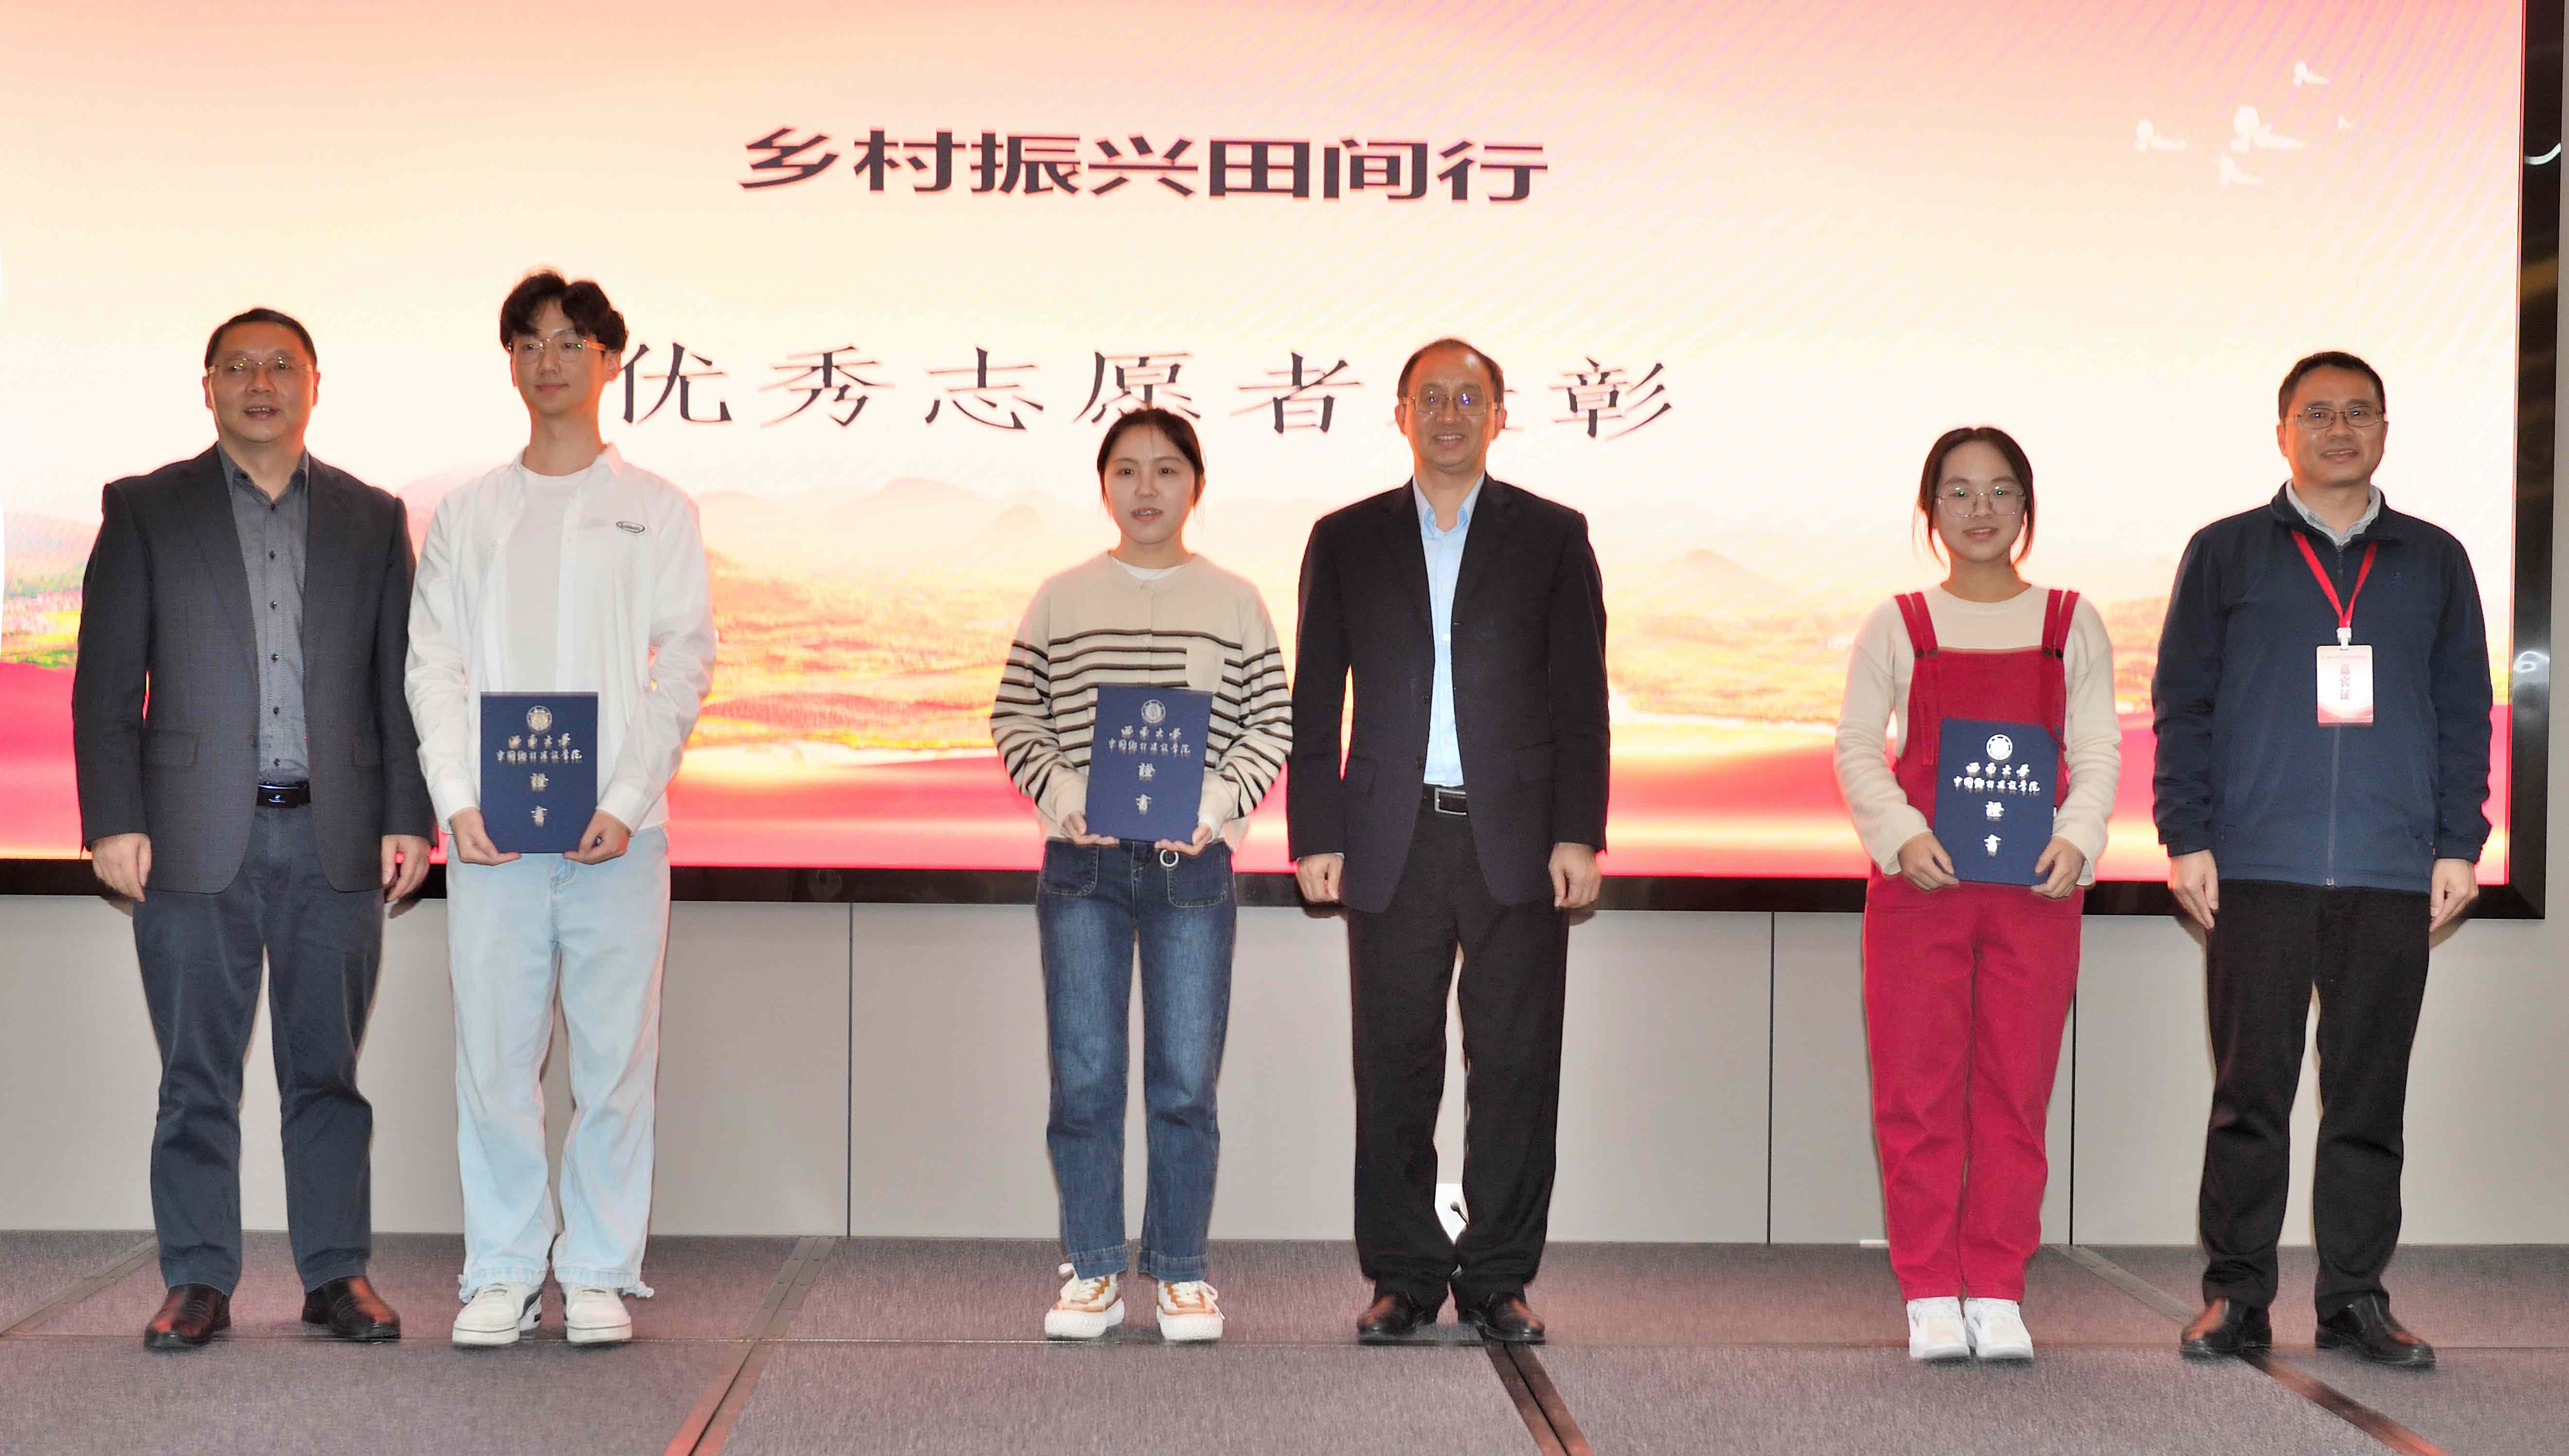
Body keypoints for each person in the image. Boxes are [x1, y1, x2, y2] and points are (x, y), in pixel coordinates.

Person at [72, 307, 435, 1349]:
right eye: (239, 367)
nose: (261, 383)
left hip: (335, 835)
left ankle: (335, 1274)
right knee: (196, 1076)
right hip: (188, 838)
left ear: (316, 385)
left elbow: (398, 685)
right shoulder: (146, 508)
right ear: (209, 387)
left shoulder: (373, 517)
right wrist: (113, 819)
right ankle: (197, 1278)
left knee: (327, 1074)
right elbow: (106, 685)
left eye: (282, 365)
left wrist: (406, 815)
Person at [2156, 351, 2490, 1369]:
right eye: (2316, 414)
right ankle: (2236, 1297)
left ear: (2384, 430)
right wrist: (2186, 835)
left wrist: (2458, 842)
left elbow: (2463, 712)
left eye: (2357, 413)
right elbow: (2183, 704)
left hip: (2392, 872)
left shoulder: (2435, 559)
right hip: (2257, 867)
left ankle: (2353, 1299)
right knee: (2247, 1097)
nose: (2338, 430)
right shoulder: (2224, 552)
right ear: (2282, 432)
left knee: (2367, 1101)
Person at [406, 272, 717, 1347]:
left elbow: (684, 663)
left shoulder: (657, 509)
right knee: (493, 1061)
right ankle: (501, 1269)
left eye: (572, 341)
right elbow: (433, 663)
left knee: (614, 1060)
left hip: (621, 839)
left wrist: (627, 798)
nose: (550, 361)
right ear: (511, 362)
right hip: (491, 840)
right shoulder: (468, 515)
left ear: (610, 360)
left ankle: (595, 1269)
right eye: (530, 342)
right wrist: (456, 799)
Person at [1287, 338, 1608, 1345]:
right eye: (1431, 397)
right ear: (1400, 414)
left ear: (1499, 416)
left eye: (1470, 398)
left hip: (1516, 837)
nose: (1449, 414)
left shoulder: (1552, 535)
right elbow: (1313, 702)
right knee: (1393, 1065)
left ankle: (1500, 1278)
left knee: (1515, 1065)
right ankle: (1404, 1275)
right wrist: (1315, 830)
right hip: (1390, 835)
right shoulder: (1344, 538)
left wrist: (1579, 832)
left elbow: (1580, 699)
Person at [989, 408, 1291, 1343]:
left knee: (1185, 1082)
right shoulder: (1061, 597)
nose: (1147, 489)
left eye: (1166, 470)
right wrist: (1064, 792)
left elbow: (1271, 724)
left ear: (1196, 485)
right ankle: (1092, 1269)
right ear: (1104, 486)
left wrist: (1217, 806)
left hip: (1190, 871)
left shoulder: (1236, 602)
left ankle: (1182, 1273)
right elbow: (1015, 715)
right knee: (1084, 1080)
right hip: (1083, 867)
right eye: (1126, 471)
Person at [1832, 427, 2118, 1363]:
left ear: (2027, 506)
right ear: (1931, 512)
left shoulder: (2070, 622)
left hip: (2037, 893)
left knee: (2014, 1092)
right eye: (1958, 493)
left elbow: (2099, 749)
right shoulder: (1899, 623)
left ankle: (1996, 1289)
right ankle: (1927, 1290)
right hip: (1921, 891)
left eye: (2000, 491)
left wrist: (2078, 838)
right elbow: (1855, 748)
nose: (1981, 510)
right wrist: (1901, 833)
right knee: (1916, 1092)